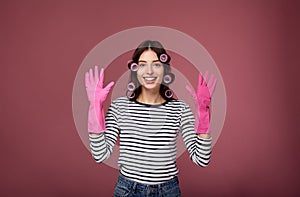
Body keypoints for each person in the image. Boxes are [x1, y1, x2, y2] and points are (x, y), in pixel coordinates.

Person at [85, 40, 217, 197]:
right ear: (135, 70)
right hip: (128, 190)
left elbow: (201, 160)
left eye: (156, 64)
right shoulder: (119, 107)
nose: (149, 71)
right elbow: (100, 155)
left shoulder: (179, 109)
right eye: (142, 64)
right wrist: (94, 107)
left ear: (165, 69)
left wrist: (204, 112)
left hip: (168, 191)